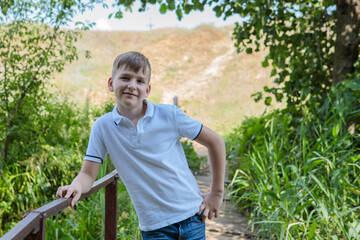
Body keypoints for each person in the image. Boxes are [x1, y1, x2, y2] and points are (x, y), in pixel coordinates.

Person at [56, 51, 226, 239]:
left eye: (139, 81)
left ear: (148, 89)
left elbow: (215, 141)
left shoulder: (169, 115)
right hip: (155, 227)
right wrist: (76, 186)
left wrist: (217, 193)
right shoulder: (103, 127)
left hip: (192, 215)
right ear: (111, 83)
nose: (132, 86)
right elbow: (88, 174)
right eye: (125, 78)